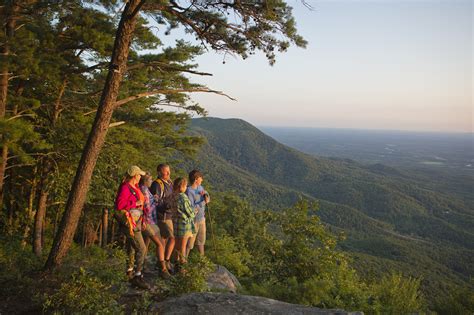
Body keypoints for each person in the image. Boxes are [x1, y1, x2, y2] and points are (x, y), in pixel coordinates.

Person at [114, 165, 150, 290]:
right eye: (139, 175)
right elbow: (119, 205)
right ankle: (137, 276)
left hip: (137, 221)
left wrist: (143, 218)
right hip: (130, 222)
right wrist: (135, 203)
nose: (141, 177)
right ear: (135, 176)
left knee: (132, 247)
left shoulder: (134, 187)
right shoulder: (125, 187)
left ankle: (129, 271)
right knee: (141, 248)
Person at [139, 173, 170, 278]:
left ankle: (141, 266)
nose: (152, 181)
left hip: (151, 221)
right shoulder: (144, 190)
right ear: (145, 181)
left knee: (145, 244)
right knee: (160, 244)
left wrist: (155, 199)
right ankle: (163, 269)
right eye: (150, 179)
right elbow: (146, 208)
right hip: (148, 221)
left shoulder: (146, 189)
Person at [149, 164, 175, 272]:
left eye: (169, 171)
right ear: (159, 172)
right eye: (166, 171)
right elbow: (156, 201)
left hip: (169, 215)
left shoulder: (169, 182)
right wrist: (166, 206)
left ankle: (161, 261)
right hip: (163, 216)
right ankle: (166, 261)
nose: (168, 173)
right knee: (172, 238)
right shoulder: (157, 184)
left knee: (163, 239)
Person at [173, 177, 195, 271]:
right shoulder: (183, 197)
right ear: (181, 186)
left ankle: (177, 265)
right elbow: (189, 212)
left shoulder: (173, 196)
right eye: (185, 186)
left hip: (176, 224)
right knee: (183, 247)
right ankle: (183, 268)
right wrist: (195, 212)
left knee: (177, 246)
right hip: (184, 225)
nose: (186, 187)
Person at [186, 170, 210, 256]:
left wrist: (206, 195)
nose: (202, 180)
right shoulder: (189, 191)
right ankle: (183, 262)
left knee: (201, 241)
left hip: (201, 218)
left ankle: (202, 261)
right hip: (193, 220)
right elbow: (191, 208)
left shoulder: (200, 188)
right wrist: (204, 202)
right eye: (200, 178)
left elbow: (207, 196)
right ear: (196, 179)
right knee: (189, 243)